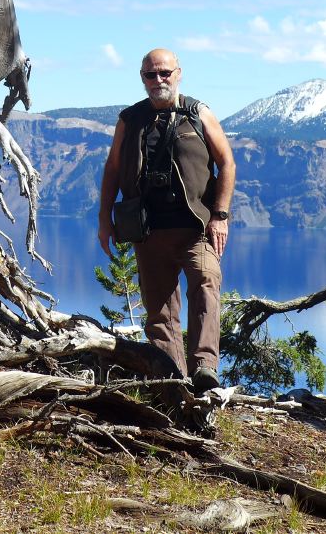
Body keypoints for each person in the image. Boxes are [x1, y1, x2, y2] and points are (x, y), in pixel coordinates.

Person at [97, 48, 236, 392]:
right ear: (142, 78)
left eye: (164, 73)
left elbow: (227, 164)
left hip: (197, 230)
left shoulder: (199, 113)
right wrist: (104, 219)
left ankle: (204, 368)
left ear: (178, 73)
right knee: (159, 311)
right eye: (150, 75)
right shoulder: (130, 120)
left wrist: (219, 216)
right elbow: (113, 169)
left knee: (206, 284)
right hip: (148, 232)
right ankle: (171, 381)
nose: (158, 80)